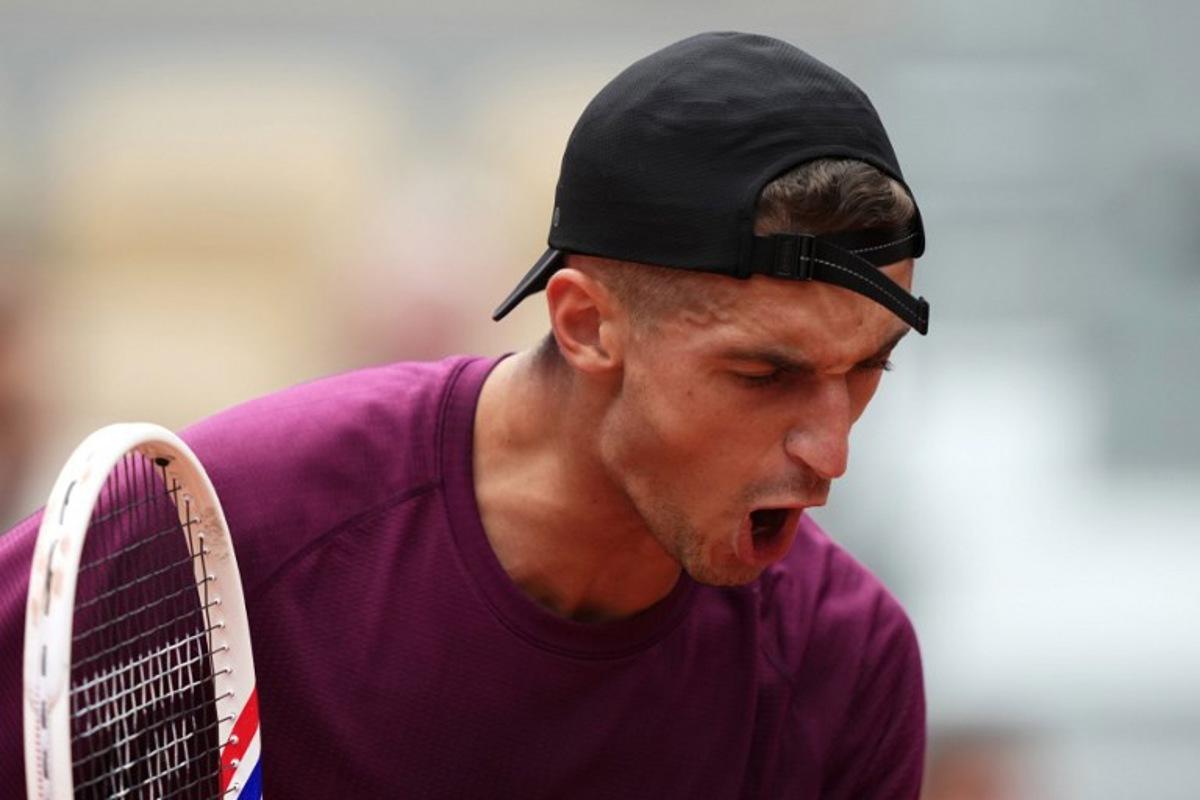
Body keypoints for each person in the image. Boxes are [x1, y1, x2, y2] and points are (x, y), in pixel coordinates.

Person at [0, 31, 930, 798]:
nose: (832, 450)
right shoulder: (200, 541)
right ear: (587, 324)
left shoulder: (845, 664)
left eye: (863, 371)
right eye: (763, 375)